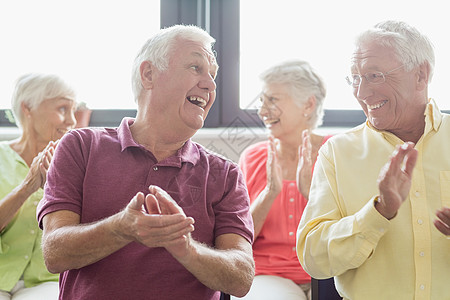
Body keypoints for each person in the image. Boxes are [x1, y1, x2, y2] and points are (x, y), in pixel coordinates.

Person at [37, 24, 254, 300]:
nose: (210, 84)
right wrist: (121, 228)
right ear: (149, 74)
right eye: (195, 68)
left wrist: (186, 248)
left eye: (212, 76)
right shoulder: (80, 147)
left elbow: (241, 278)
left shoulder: (226, 175)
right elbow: (54, 253)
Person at [296, 20, 450, 300]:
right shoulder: (337, 153)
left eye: (374, 76)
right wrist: (378, 212)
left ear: (421, 75)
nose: (361, 92)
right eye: (355, 78)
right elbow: (314, 258)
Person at [236, 60, 329, 300]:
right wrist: (270, 192)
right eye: (262, 101)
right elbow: (240, 238)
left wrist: (312, 195)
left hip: (329, 272)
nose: (262, 111)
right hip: (268, 277)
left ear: (308, 104)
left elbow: (353, 228)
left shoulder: (336, 153)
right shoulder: (253, 157)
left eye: (273, 100)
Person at [0, 73, 77, 300]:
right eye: (63, 108)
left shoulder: (75, 164)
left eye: (74, 110)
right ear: (28, 108)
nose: (71, 120)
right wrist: (27, 187)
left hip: (47, 281)